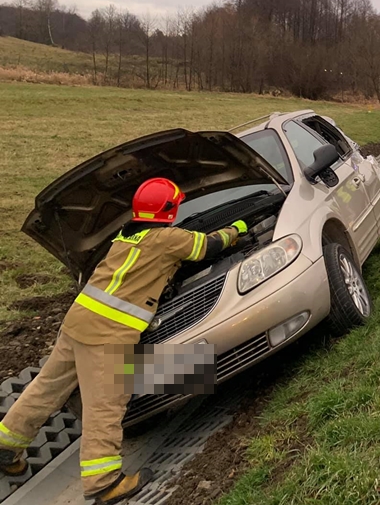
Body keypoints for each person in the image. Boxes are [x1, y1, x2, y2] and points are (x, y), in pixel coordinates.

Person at [0, 178, 247, 504]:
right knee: (105, 405)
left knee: (46, 388)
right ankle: (103, 483)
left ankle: (6, 447)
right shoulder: (167, 239)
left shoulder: (123, 237)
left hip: (77, 322)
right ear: (170, 210)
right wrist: (238, 227)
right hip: (108, 334)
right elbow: (206, 246)